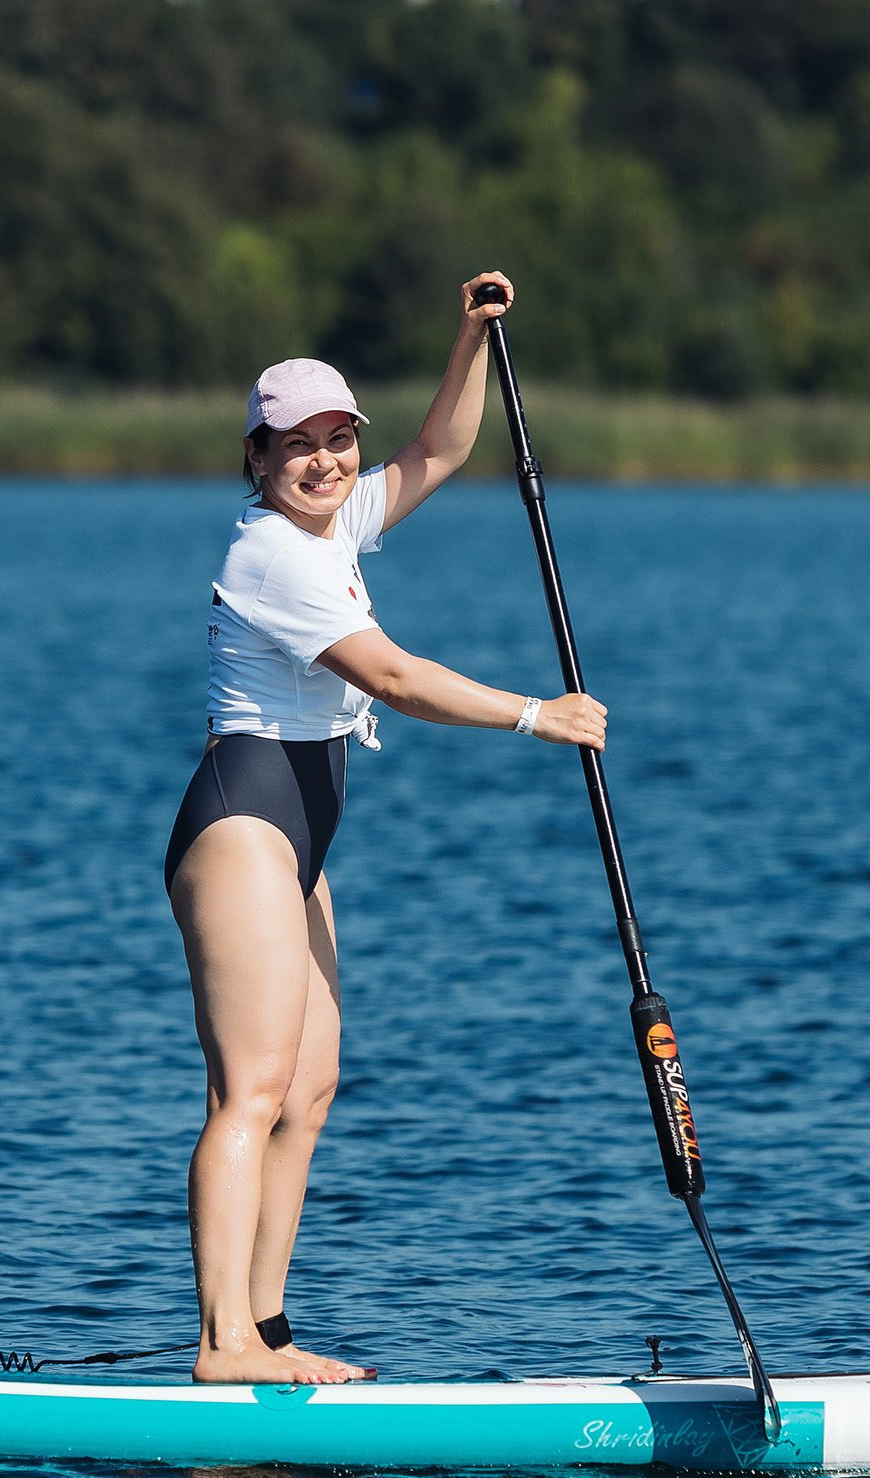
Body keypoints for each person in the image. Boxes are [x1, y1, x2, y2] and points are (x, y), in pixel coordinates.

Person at [162, 273, 609, 1385]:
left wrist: (468, 339)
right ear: (257, 461)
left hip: (305, 827)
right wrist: (532, 713)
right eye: (296, 445)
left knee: (306, 1093)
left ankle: (265, 1330)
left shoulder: (334, 523)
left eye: (336, 439)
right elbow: (395, 678)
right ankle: (219, 1346)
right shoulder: (268, 550)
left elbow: (440, 454)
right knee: (248, 1092)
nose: (324, 461)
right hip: (245, 816)